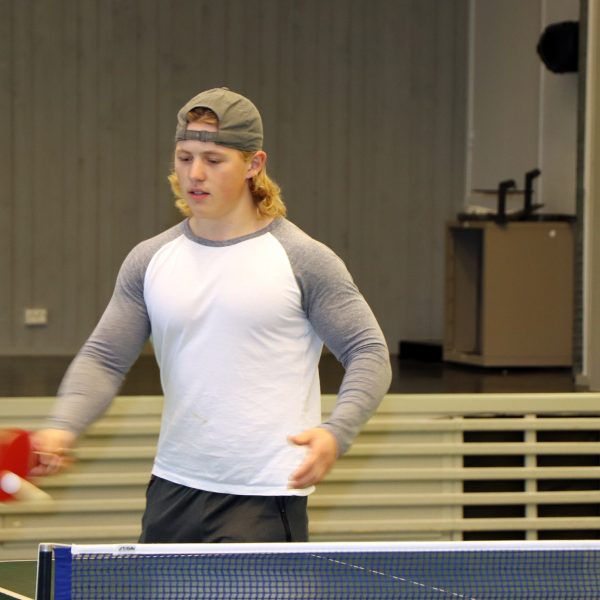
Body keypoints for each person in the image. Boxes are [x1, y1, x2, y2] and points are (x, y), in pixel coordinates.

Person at [31, 87, 392, 543]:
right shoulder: (150, 259)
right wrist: (63, 426)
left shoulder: (303, 259)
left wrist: (336, 432)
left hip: (262, 495)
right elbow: (104, 358)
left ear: (254, 164)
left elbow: (368, 352)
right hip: (172, 489)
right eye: (184, 157)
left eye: (214, 160)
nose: (194, 174)